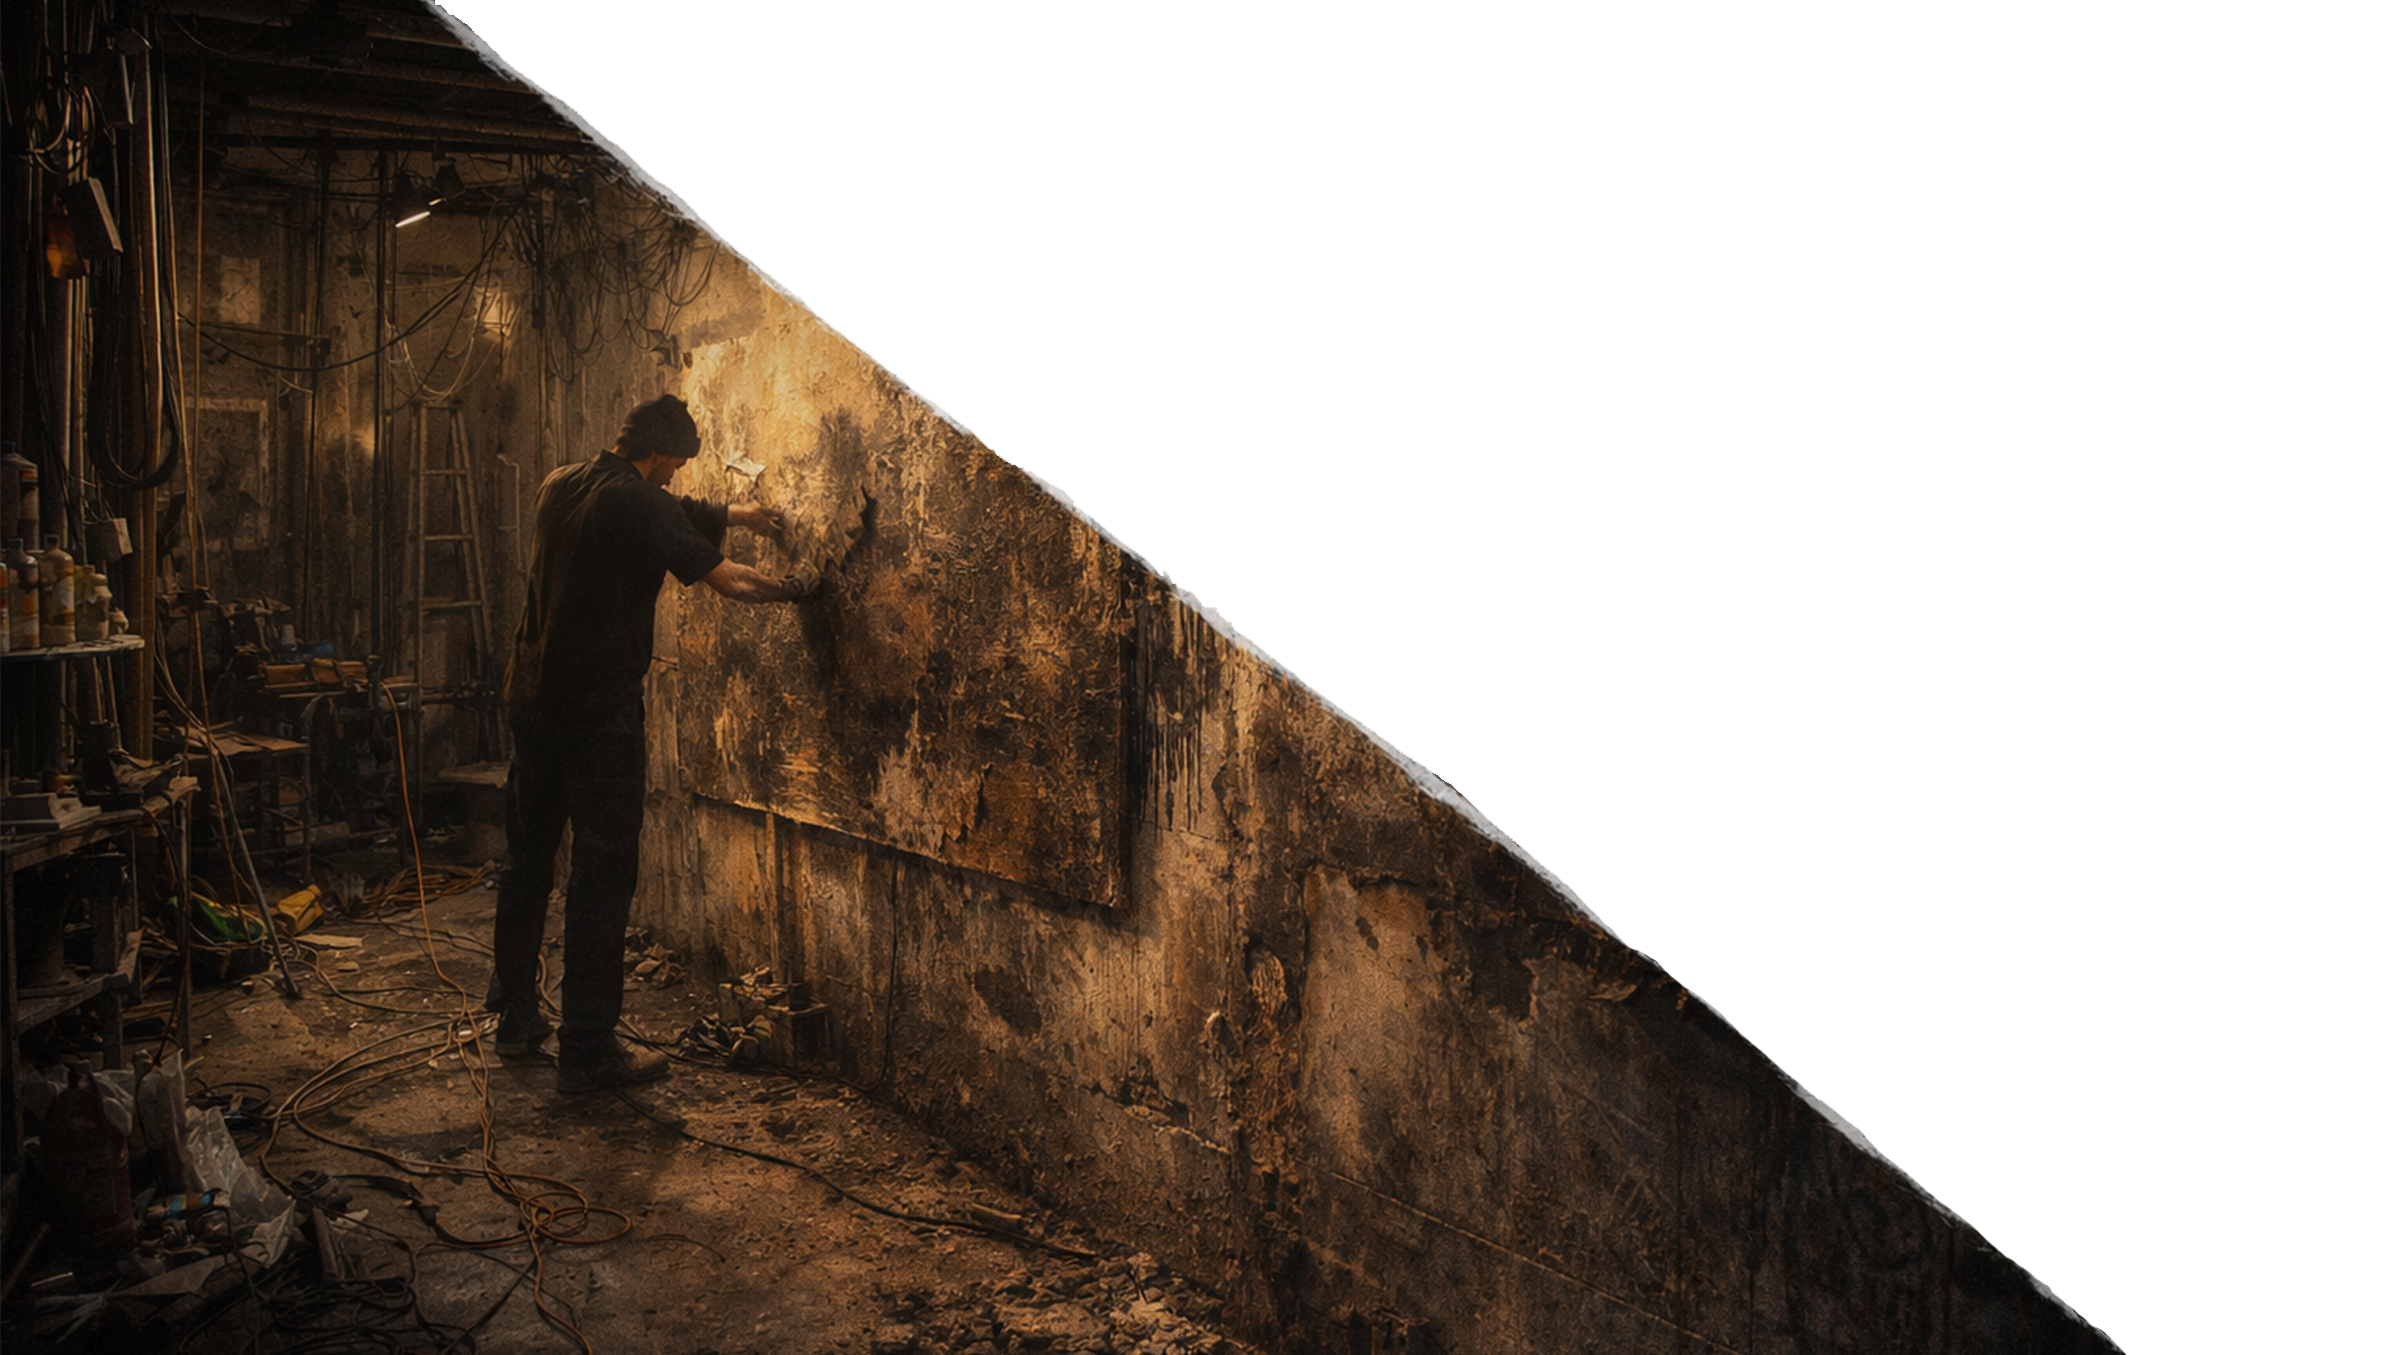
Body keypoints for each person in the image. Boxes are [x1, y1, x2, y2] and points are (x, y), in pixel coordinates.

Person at [483, 393, 863, 1093]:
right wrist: (798, 589)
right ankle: (587, 1051)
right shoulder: (645, 505)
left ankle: (513, 1018)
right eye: (676, 465)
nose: (676, 476)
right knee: (602, 878)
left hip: (531, 701)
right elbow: (728, 578)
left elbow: (657, 512)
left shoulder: (562, 483)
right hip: (597, 719)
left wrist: (738, 515)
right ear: (659, 455)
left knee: (527, 862)